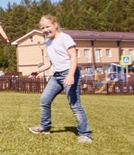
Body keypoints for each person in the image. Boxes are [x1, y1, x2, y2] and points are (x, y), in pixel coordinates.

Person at [28, 15, 92, 143]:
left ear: (55, 24)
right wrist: (38, 71)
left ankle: (85, 134)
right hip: (56, 76)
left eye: (47, 26)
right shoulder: (48, 42)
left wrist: (70, 75)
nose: (45, 30)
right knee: (44, 99)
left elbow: (73, 57)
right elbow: (52, 62)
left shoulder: (65, 38)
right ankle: (44, 127)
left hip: (69, 73)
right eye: (42, 28)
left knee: (75, 105)